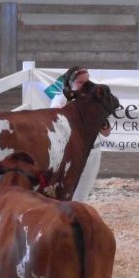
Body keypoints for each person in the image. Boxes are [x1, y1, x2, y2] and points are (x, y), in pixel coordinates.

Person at [50, 66, 108, 202]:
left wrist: (99, 113)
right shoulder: (60, 101)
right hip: (67, 154)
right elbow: (56, 127)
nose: (85, 86)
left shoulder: (94, 100)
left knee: (80, 197)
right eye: (81, 82)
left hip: (91, 152)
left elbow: (106, 132)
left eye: (87, 82)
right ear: (71, 84)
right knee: (63, 195)